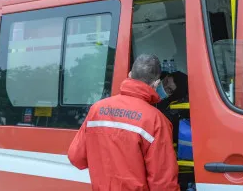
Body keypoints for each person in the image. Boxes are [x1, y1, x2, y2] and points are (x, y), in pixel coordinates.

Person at [67, 54, 179, 191]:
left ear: (130, 74)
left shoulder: (96, 109)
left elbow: (76, 158)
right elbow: (163, 184)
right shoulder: (157, 121)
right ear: (156, 84)